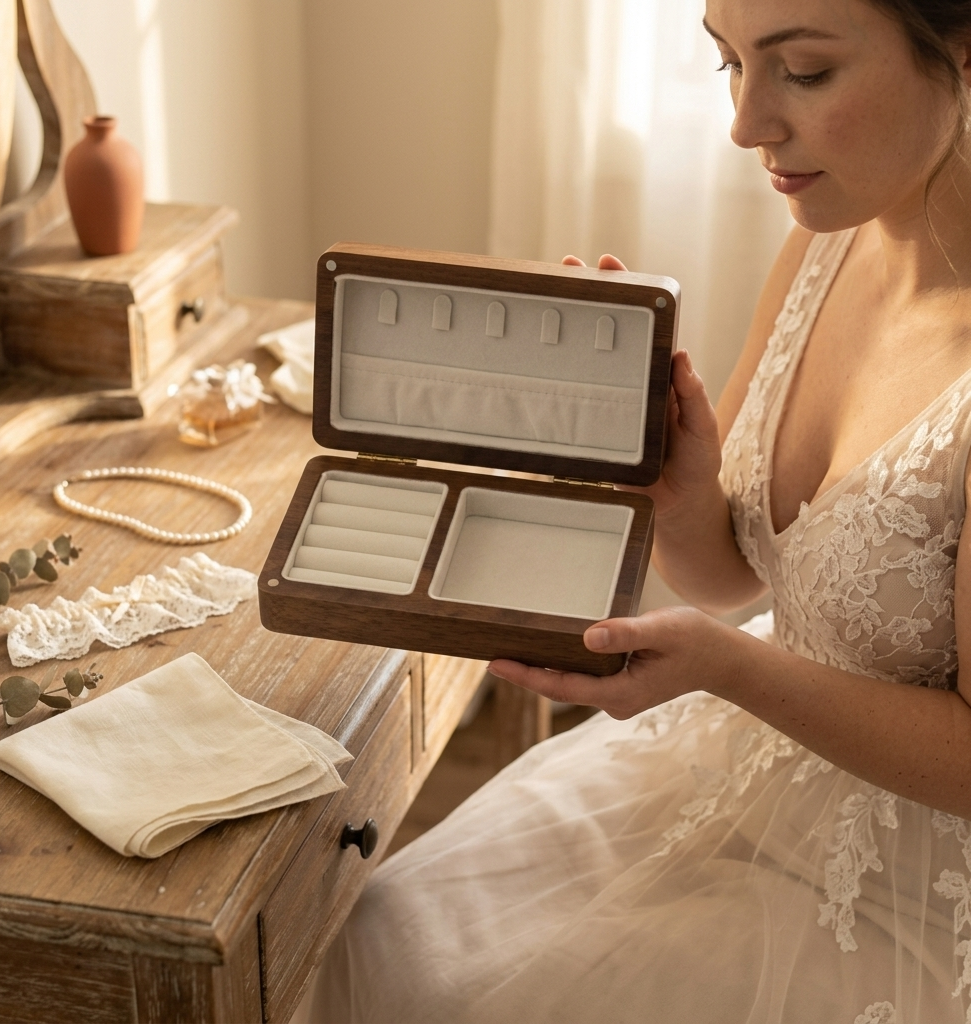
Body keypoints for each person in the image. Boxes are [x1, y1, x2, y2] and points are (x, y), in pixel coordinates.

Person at [308, 1, 971, 1020]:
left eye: (802, 73)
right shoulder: (827, 239)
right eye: (727, 65)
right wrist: (676, 481)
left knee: (453, 993)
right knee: (384, 926)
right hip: (751, 760)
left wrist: (725, 664)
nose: (746, 125)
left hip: (917, 893)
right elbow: (733, 576)